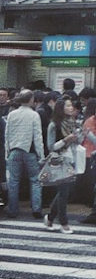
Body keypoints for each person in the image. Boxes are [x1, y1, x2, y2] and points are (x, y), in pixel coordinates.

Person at [4, 89, 44, 219]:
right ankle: (36, 209)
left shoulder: (12, 114)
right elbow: (37, 136)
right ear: (31, 99)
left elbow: (7, 134)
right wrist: (41, 155)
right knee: (35, 180)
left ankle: (13, 210)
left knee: (14, 181)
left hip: (14, 150)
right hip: (30, 151)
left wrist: (7, 151)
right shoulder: (34, 115)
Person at [44, 96, 80, 233]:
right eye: (68, 105)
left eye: (71, 106)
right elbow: (51, 146)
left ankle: (50, 218)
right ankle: (64, 223)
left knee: (64, 192)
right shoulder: (54, 124)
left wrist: (79, 136)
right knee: (64, 192)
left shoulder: (72, 122)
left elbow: (77, 142)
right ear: (61, 108)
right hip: (59, 160)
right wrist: (66, 140)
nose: (71, 108)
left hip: (71, 158)